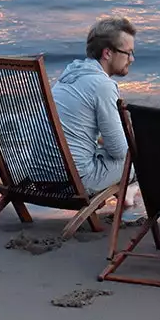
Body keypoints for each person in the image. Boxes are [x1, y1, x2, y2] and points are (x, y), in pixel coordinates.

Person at [51, 14, 137, 197]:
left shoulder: (69, 75)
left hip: (42, 176)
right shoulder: (102, 85)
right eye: (128, 52)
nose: (132, 59)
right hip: (73, 183)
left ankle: (126, 198)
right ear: (107, 53)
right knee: (142, 159)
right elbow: (120, 151)